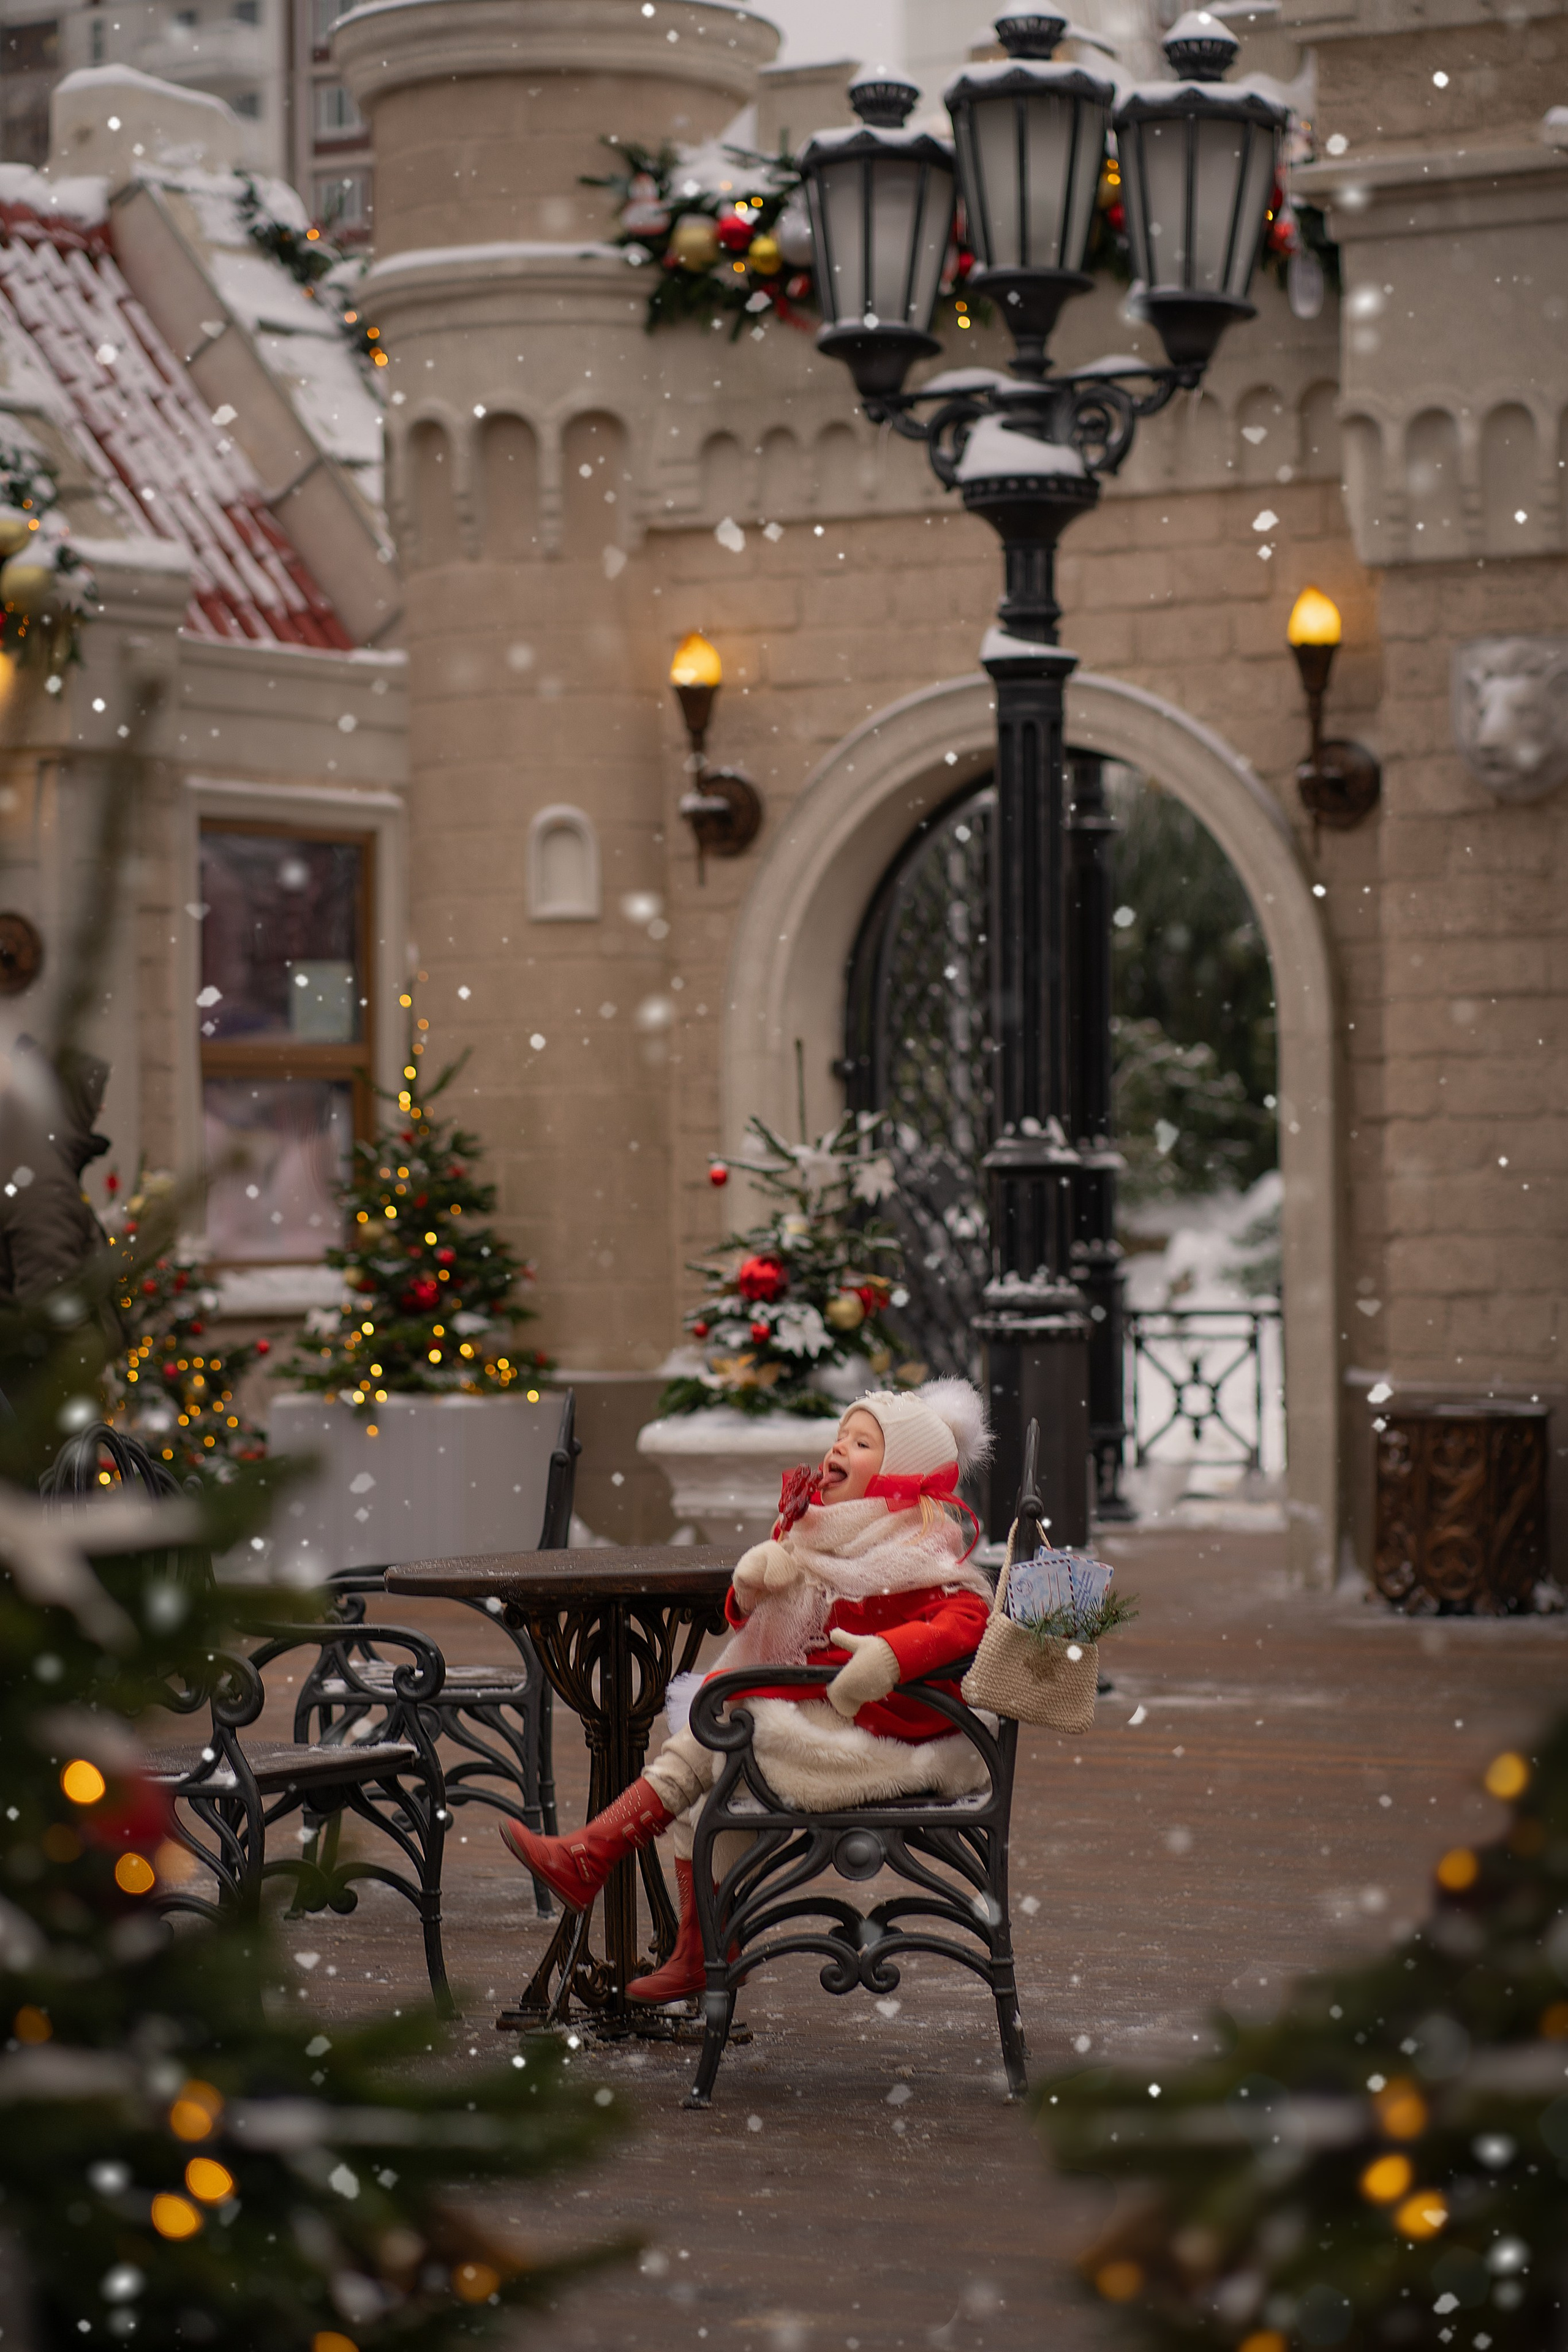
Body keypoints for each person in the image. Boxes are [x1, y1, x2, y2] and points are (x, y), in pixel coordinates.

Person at [500, 1378, 994, 2004]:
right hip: (837, 1716)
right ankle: (699, 1953)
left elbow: (965, 1622)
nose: (838, 1448)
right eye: (840, 1436)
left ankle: (592, 1853)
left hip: (895, 1736)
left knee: (728, 1726)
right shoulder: (825, 1536)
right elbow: (759, 1628)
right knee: (702, 1801)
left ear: (901, 1471)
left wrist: (892, 1655)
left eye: (863, 1442)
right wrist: (756, 1587)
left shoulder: (920, 1550)